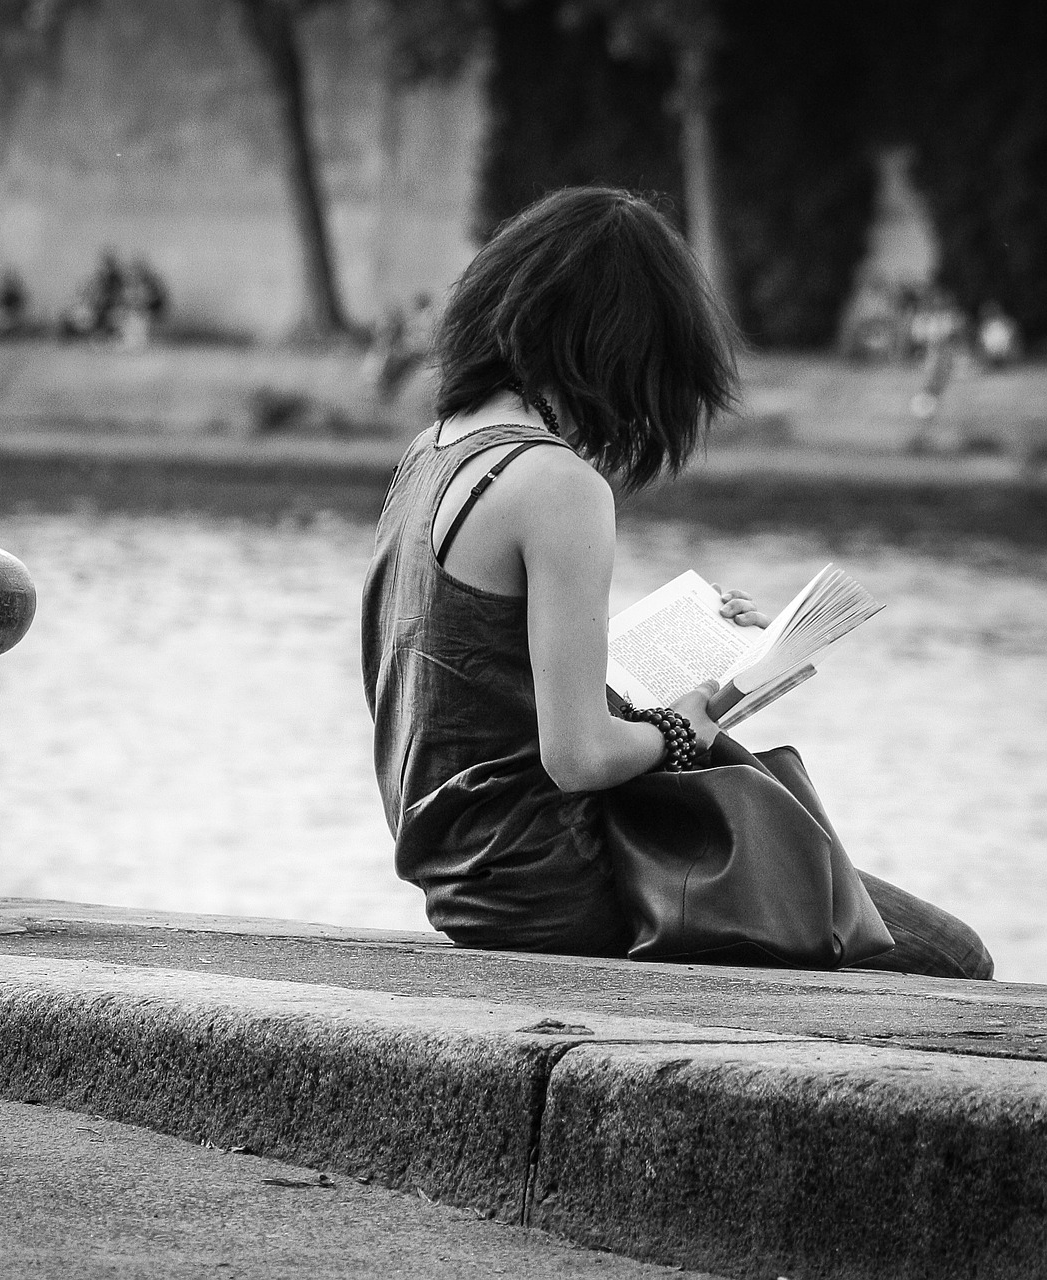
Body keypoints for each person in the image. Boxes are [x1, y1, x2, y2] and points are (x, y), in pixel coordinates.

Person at [361, 187, 993, 980]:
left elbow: (478, 688)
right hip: (556, 886)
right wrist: (687, 726)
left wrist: (718, 687)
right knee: (953, 955)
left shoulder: (433, 453)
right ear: (620, 345)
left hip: (466, 876)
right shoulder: (554, 483)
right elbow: (579, 757)